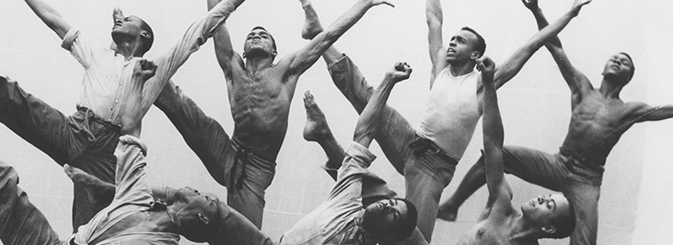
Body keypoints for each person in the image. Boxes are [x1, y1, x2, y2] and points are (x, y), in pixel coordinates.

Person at [0, 0, 247, 229]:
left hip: (107, 155)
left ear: (143, 34)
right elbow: (56, 20)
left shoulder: (153, 68)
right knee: (14, 98)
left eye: (128, 20)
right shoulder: (98, 54)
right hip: (73, 130)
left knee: (93, 224)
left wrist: (230, 3)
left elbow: (196, 34)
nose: (118, 19)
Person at [0, 37, 274, 245]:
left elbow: (229, 222)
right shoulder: (137, 194)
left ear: (199, 218)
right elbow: (130, 128)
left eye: (198, 196)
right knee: (1, 185)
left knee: (1, 184)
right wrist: (136, 82)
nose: (189, 192)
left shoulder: (163, 241)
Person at [296, 0, 591, 241]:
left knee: (416, 238)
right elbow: (434, 19)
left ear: (475, 53)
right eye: (452, 39)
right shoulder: (440, 66)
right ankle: (321, 38)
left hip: (434, 168)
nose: (451, 43)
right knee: (368, 96)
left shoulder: (482, 83)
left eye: (460, 42)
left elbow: (533, 44)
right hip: (411, 143)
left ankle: (329, 144)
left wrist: (571, 11)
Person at [437, 0, 673, 244]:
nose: (618, 60)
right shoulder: (582, 87)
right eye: (615, 57)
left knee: (584, 239)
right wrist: (537, 11)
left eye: (626, 62)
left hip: (586, 180)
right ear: (603, 69)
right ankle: (452, 205)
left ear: (628, 77)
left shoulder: (630, 109)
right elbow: (554, 46)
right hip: (559, 163)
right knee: (498, 155)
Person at [152, 0, 393, 228]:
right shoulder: (232, 65)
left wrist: (364, 4)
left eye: (263, 35)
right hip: (227, 152)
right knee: (179, 102)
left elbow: (328, 36)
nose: (256, 36)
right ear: (244, 50)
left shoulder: (287, 70)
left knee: (244, 233)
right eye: (251, 36)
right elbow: (216, 20)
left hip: (256, 168)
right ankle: (131, 68)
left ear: (274, 50)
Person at [279, 63, 420, 245]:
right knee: (228, 217)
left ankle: (323, 134)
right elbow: (364, 133)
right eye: (391, 204)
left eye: (394, 215)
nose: (387, 206)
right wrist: (389, 80)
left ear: (389, 238)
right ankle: (323, 134)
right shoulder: (346, 199)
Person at [455, 56, 576, 245]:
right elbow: (493, 145)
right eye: (546, 197)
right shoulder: (501, 205)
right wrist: (489, 83)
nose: (541, 198)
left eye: (548, 205)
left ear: (548, 228)